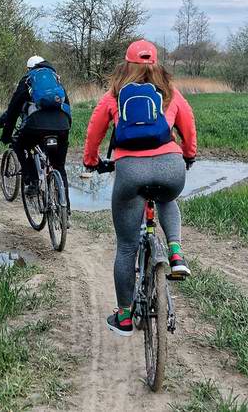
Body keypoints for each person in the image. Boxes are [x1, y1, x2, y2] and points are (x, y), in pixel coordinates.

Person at [82, 39, 197, 337]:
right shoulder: (171, 94)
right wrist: (189, 155)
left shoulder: (114, 95)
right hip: (170, 166)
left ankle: (123, 317)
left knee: (127, 246)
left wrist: (91, 161)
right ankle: (175, 253)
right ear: (156, 64)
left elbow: (95, 130)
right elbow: (189, 126)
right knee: (167, 197)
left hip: (130, 171)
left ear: (126, 64)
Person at [0, 56, 72, 199]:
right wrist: (66, 128)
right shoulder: (55, 79)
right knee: (59, 166)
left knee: (20, 145)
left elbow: (12, 111)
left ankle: (34, 181)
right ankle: (65, 211)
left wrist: (6, 135)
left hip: (37, 126)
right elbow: (67, 107)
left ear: (29, 69)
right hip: (62, 125)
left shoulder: (28, 80)